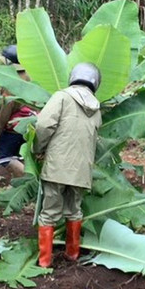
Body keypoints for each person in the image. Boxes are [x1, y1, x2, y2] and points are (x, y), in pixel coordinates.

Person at [32, 63, 102, 268]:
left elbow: (44, 125)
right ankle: (73, 254)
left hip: (57, 167)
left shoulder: (62, 97)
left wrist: (38, 148)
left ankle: (45, 261)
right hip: (82, 170)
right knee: (74, 210)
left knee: (49, 212)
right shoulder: (97, 108)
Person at [0, 72, 37, 178]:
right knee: (20, 156)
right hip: (29, 124)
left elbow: (6, 109)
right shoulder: (29, 77)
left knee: (4, 158)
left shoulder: (12, 82)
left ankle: (29, 180)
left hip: (14, 128)